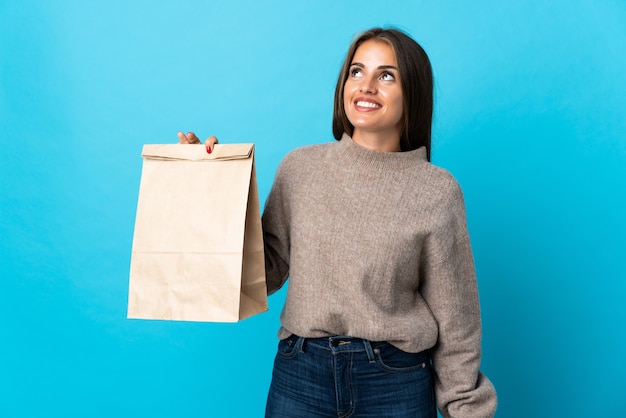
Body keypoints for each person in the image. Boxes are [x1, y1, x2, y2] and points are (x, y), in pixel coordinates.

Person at [178, 27, 497, 418]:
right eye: (356, 71)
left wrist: (467, 408)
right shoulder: (300, 168)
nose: (366, 86)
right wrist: (208, 185)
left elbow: (457, 321)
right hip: (301, 376)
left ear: (412, 91)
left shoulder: (437, 191)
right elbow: (264, 272)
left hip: (394, 382)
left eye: (386, 75)